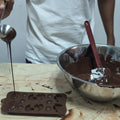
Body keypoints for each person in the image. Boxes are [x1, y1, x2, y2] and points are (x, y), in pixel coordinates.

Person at [0, 0, 115, 64]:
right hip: (38, 56)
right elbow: (5, 5)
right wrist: (5, 5)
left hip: (82, 54)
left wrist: (110, 39)